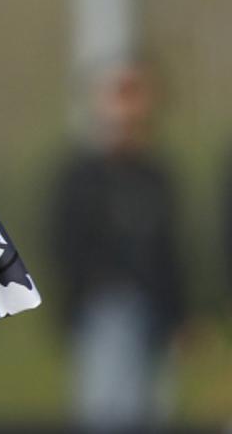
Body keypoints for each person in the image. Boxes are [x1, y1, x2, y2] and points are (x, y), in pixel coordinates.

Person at [49, 60, 185, 431]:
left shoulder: (157, 175)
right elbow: (64, 245)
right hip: (102, 313)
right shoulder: (82, 177)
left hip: (157, 316)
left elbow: (172, 253)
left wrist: (181, 316)